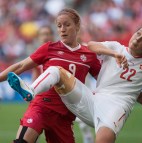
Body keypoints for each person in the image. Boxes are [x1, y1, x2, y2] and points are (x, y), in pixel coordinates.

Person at [7, 25, 142, 143]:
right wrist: (113, 53)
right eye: (138, 33)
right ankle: (30, 90)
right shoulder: (116, 47)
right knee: (55, 71)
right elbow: (91, 45)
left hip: (115, 109)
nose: (137, 38)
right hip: (92, 99)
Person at [0, 8, 102, 143]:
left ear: (77, 26)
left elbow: (104, 81)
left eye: (67, 24)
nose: (62, 29)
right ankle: (29, 90)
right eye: (59, 26)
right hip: (42, 107)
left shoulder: (89, 55)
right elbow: (20, 66)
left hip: (65, 116)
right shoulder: (49, 48)